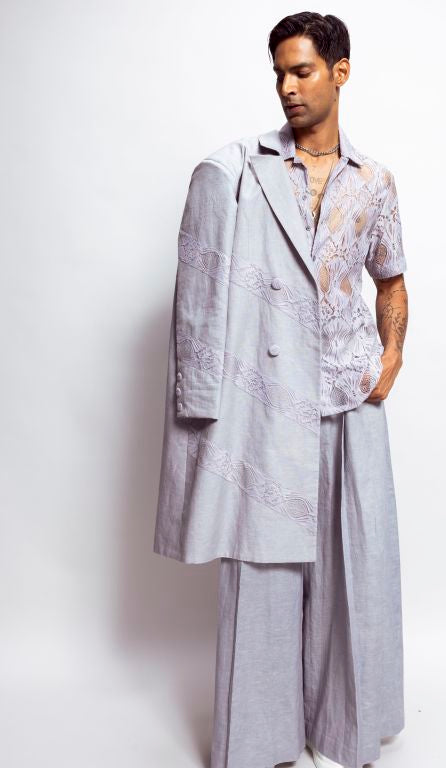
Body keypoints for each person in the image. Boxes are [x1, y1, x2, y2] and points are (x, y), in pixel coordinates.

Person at [154, 11, 409, 768]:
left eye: (301, 71)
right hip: (267, 401)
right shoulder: (239, 170)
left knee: (357, 565)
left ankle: (344, 732)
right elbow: (198, 295)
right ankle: (261, 742)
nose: (287, 87)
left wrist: (392, 356)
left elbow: (391, 280)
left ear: (340, 71)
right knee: (260, 568)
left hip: (350, 399)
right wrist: (203, 403)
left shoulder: (375, 182)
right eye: (278, 73)